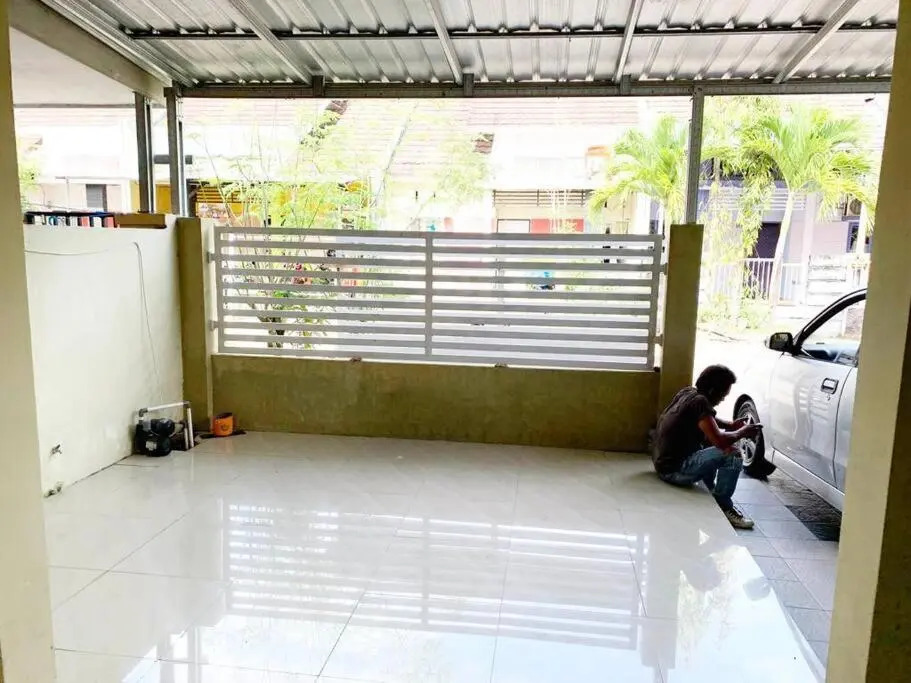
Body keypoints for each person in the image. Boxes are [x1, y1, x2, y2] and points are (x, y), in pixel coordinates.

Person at [653, 365, 761, 529]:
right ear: (712, 390)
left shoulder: (688, 393)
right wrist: (742, 432)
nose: (723, 399)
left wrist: (731, 425)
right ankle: (724, 506)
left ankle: (710, 487)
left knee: (710, 438)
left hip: (662, 464)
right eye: (723, 395)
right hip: (674, 471)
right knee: (733, 453)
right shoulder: (701, 402)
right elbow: (720, 441)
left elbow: (706, 420)